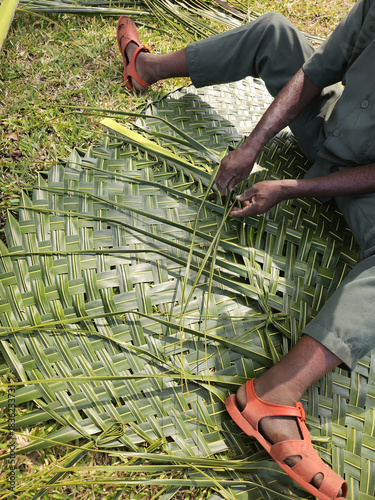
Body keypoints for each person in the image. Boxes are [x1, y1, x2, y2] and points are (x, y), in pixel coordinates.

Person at [116, 2, 375, 498]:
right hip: (328, 125)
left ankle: (277, 394)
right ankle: (144, 67)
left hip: (364, 186)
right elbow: (320, 70)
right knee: (274, 34)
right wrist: (253, 144)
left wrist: (292, 187)